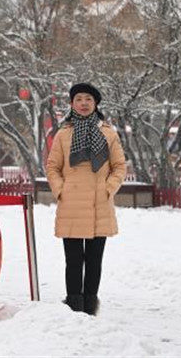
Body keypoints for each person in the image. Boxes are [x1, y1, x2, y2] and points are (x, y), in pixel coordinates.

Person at [46, 83, 127, 316]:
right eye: (78, 99)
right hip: (71, 203)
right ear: (72, 104)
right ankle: (73, 305)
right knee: (73, 261)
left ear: (96, 104)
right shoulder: (63, 134)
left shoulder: (108, 133)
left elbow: (119, 166)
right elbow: (53, 167)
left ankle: (90, 306)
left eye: (88, 99)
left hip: (98, 204)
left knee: (94, 261)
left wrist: (107, 188)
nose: (83, 103)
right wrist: (61, 190)